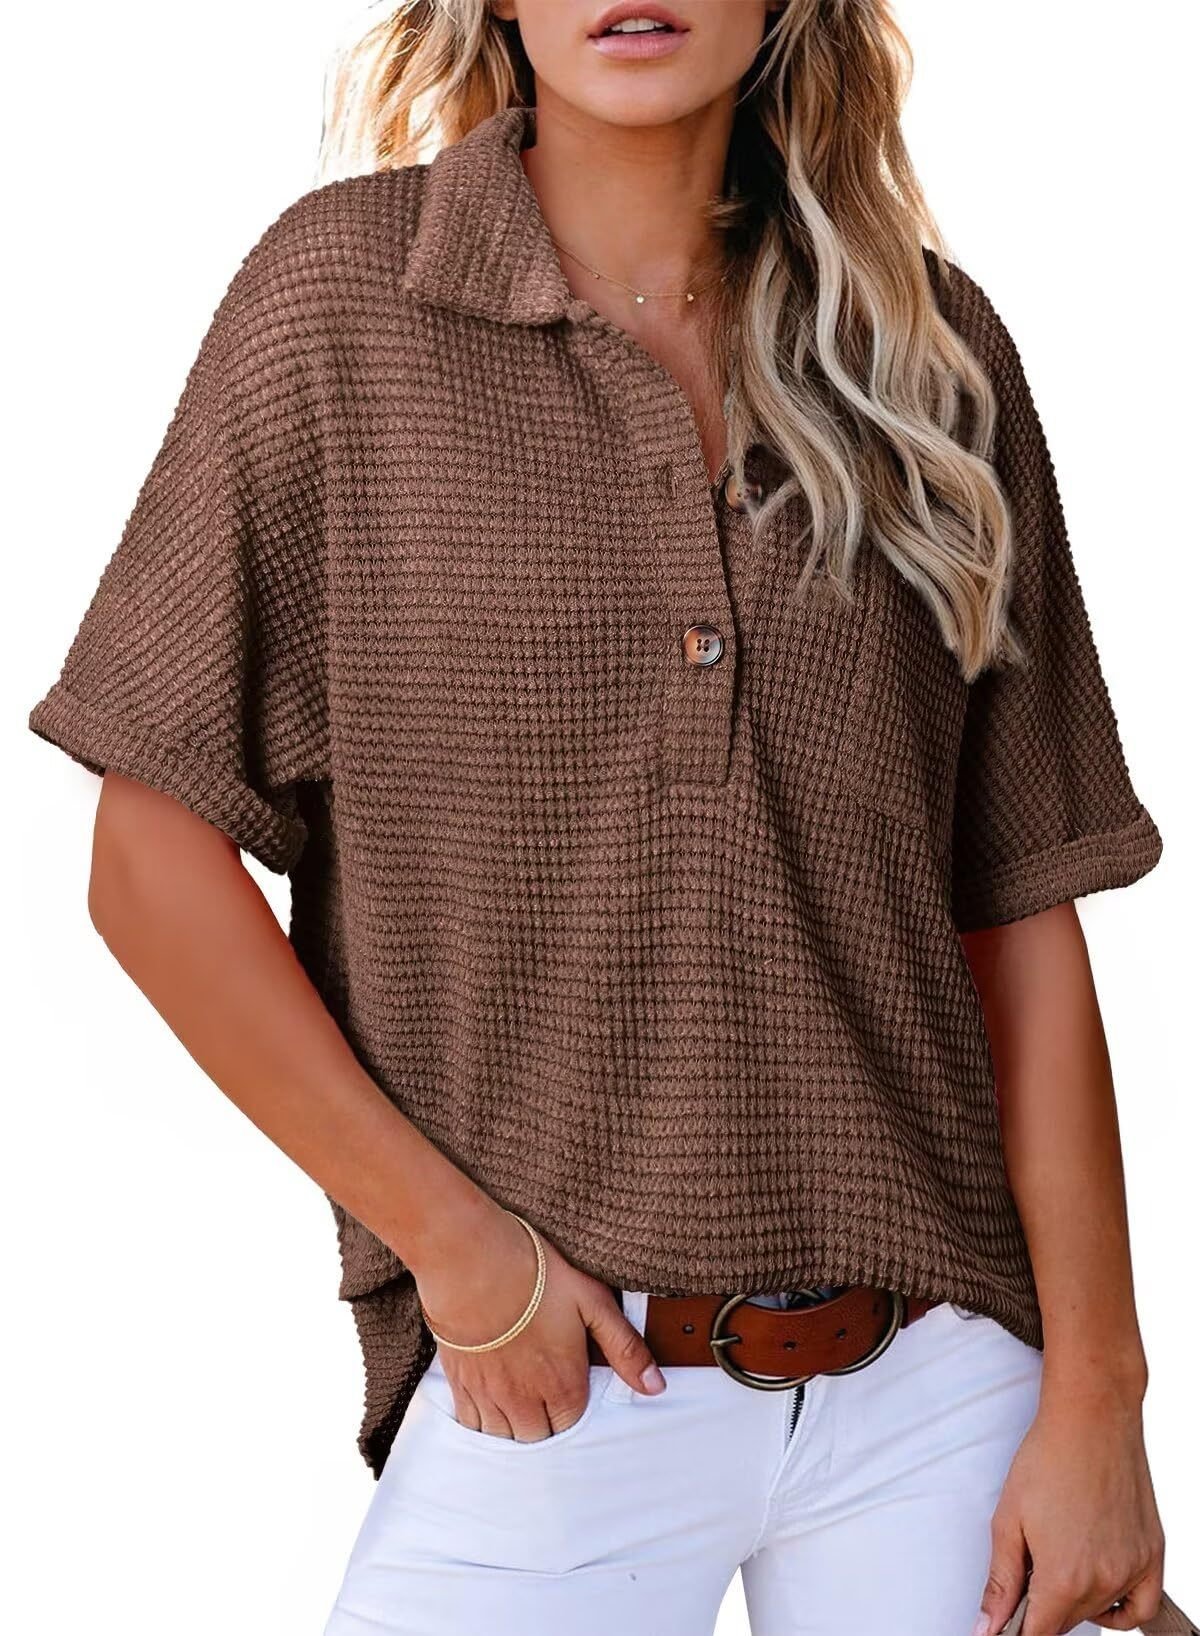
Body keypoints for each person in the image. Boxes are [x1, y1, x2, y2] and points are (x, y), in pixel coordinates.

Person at [26, 3, 1170, 1634]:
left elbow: (1020, 911)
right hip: (556, 1376)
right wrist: (458, 1253)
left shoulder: (927, 350)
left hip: (940, 1393)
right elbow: (147, 859)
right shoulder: (343, 302)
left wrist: (1100, 1400)